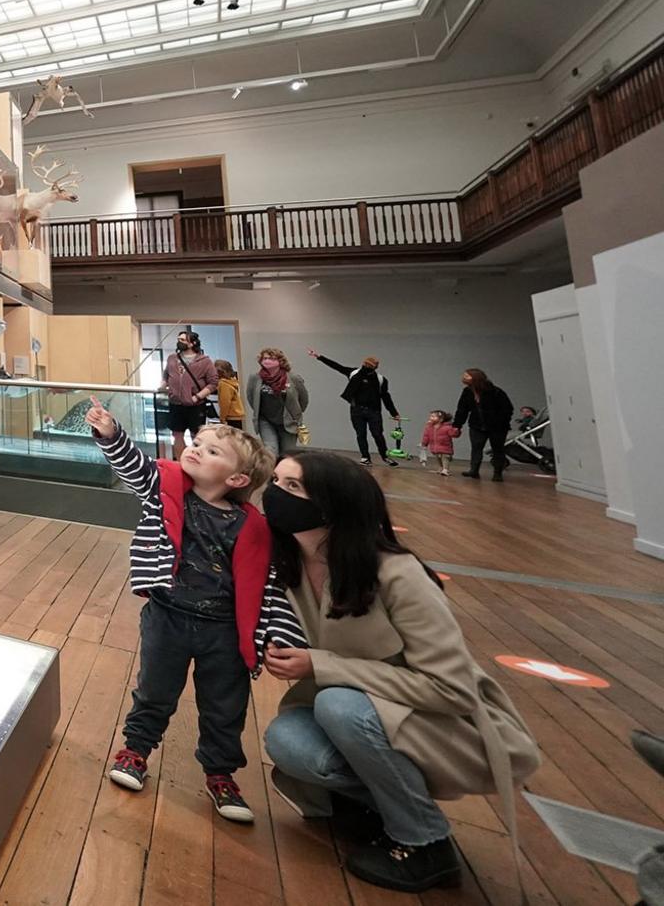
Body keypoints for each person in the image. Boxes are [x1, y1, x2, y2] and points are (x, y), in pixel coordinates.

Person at [258, 452, 540, 893]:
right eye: (275, 481)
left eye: (292, 487)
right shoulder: (290, 564)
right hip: (369, 715)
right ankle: (380, 808)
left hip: (437, 721)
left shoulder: (398, 574)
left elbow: (452, 690)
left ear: (334, 507)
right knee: (287, 740)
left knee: (339, 705)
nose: (274, 493)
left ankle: (426, 842)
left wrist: (322, 665)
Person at [88, 397, 304, 825]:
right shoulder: (165, 488)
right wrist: (111, 433)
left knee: (226, 705)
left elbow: (269, 587)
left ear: (238, 477)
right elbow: (134, 467)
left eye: (211, 450)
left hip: (224, 631)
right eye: (197, 441)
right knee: (154, 689)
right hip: (167, 615)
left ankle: (220, 773)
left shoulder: (253, 526)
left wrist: (281, 635)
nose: (195, 448)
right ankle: (136, 750)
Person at [307, 349, 401, 466]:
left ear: (375, 368)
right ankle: (365, 457)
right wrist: (319, 357)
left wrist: (394, 413)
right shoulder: (354, 373)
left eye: (369, 366)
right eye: (365, 365)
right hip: (357, 410)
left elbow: (386, 397)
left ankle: (385, 456)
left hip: (374, 411)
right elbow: (337, 366)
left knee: (377, 434)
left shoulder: (381, 380)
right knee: (361, 434)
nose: (366, 367)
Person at [163, 328, 219, 458]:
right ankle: (180, 463)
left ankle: (196, 461)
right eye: (178, 340)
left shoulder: (205, 361)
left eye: (183, 340)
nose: (179, 342)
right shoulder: (172, 359)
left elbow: (213, 383)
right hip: (175, 403)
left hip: (195, 405)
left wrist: (197, 397)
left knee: (197, 435)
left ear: (192, 343)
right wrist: (163, 386)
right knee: (177, 434)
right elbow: (166, 376)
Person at [244, 348, 309, 456]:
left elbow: (303, 399)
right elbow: (251, 398)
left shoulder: (293, 378)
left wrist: (295, 414)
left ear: (280, 361)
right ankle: (270, 472)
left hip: (288, 421)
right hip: (265, 420)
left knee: (288, 453)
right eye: (264, 358)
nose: (267, 361)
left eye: (271, 358)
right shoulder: (255, 378)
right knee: (271, 450)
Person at [454, 369, 515, 481]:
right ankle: (474, 470)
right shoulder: (467, 392)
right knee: (476, 448)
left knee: (498, 449)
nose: (463, 378)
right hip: (477, 425)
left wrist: (501, 421)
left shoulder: (495, 392)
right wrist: (457, 425)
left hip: (497, 427)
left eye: (467, 376)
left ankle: (497, 473)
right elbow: (462, 409)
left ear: (475, 378)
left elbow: (508, 409)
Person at [420, 410, 458, 477]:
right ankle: (441, 468)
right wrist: (424, 443)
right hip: (435, 447)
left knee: (445, 458)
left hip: (445, 447)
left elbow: (453, 434)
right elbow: (426, 436)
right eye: (431, 416)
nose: (431, 418)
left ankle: (445, 469)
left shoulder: (447, 427)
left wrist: (456, 430)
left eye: (433, 416)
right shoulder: (429, 427)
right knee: (438, 458)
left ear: (441, 419)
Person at [214, 359, 246, 432]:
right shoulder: (232, 381)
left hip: (230, 416)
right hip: (237, 414)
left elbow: (225, 402)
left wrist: (222, 418)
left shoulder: (223, 384)